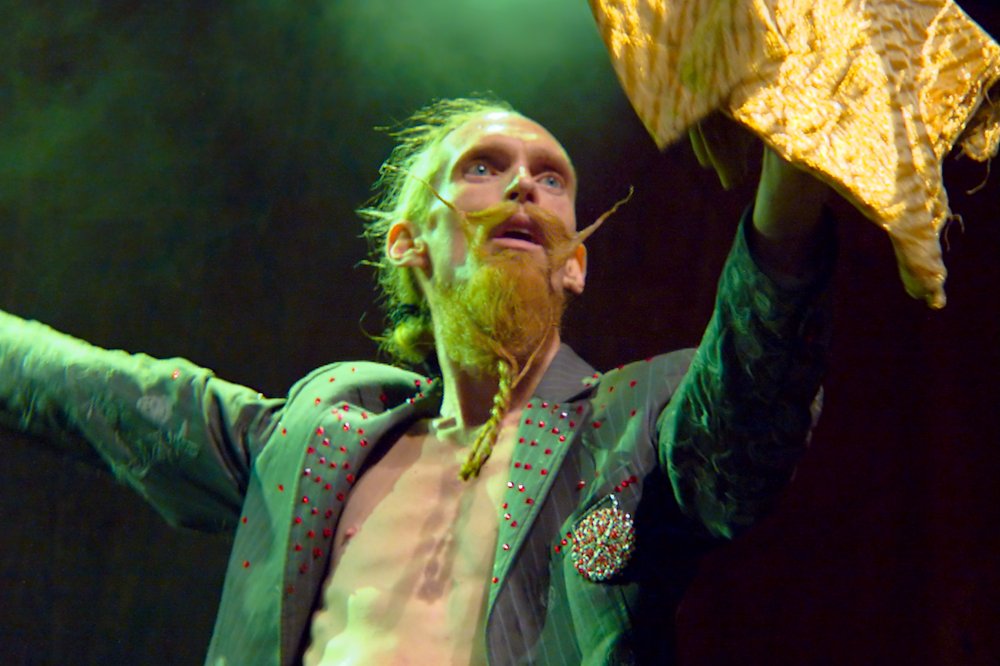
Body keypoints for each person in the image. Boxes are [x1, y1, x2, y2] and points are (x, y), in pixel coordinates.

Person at [0, 96, 834, 665]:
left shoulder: (634, 420)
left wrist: (790, 191)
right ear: (408, 242)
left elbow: (748, 417)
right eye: (483, 166)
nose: (522, 183)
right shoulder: (317, 434)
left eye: (551, 178)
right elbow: (90, 392)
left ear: (576, 263)